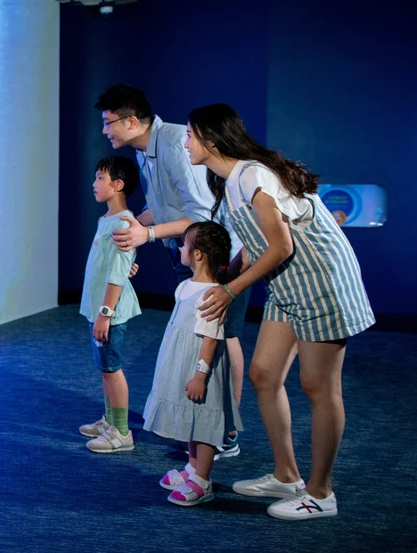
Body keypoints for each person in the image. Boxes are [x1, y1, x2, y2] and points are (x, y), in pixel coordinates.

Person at [185, 103, 374, 521]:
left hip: (320, 281)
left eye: (190, 136)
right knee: (264, 375)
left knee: (318, 387)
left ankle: (321, 493)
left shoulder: (252, 174)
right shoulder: (230, 181)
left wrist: (231, 290)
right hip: (288, 284)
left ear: (211, 142)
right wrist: (226, 276)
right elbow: (257, 241)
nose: (186, 144)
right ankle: (287, 476)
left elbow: (283, 246)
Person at [96, 84, 247, 458]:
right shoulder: (146, 151)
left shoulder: (176, 141)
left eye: (108, 122)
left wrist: (145, 233)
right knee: (199, 339)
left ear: (132, 121)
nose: (105, 131)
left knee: (223, 338)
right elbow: (161, 207)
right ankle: (202, 429)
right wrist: (126, 226)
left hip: (216, 255)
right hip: (188, 253)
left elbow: (200, 214)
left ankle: (224, 432)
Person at [143, 221, 242, 506]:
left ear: (198, 254)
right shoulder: (186, 286)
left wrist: (200, 374)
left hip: (200, 366)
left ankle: (202, 479)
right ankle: (192, 468)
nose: (180, 248)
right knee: (191, 416)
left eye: (184, 244)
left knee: (204, 420)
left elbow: (210, 339)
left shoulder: (211, 294)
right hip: (181, 361)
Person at [78, 157, 142, 453]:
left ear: (118, 185)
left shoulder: (124, 223)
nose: (94, 183)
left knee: (112, 368)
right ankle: (109, 420)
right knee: (105, 368)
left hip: (109, 312)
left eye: (100, 177)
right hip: (99, 307)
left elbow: (117, 274)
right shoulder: (106, 220)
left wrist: (105, 314)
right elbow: (114, 265)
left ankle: (122, 432)